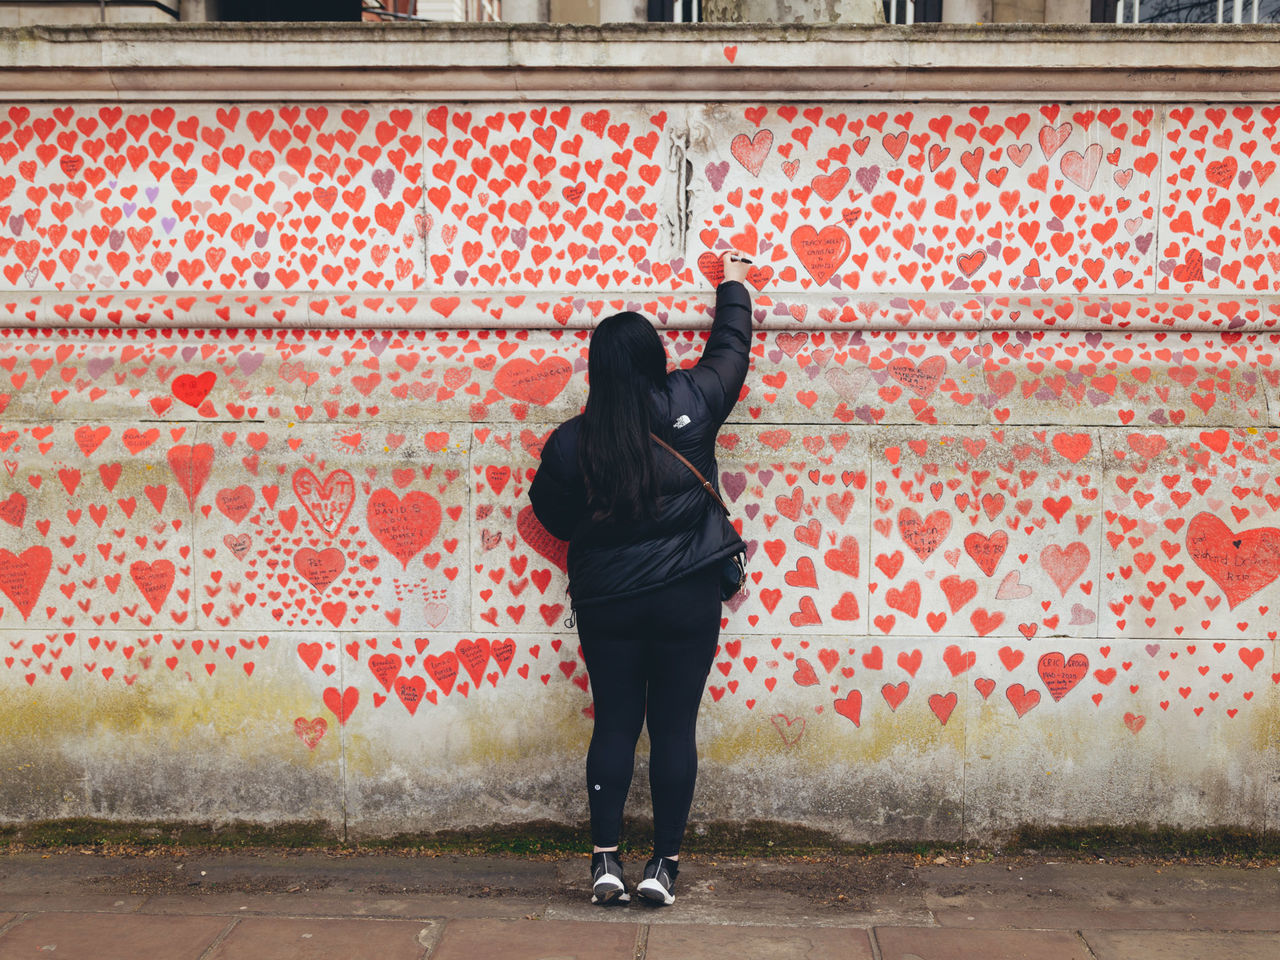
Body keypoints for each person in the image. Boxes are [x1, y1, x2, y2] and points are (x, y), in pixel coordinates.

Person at [528, 250, 753, 907]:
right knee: (674, 728)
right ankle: (662, 868)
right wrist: (732, 283)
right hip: (687, 598)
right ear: (655, 358)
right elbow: (732, 350)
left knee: (616, 725)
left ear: (596, 369)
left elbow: (551, 515)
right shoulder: (693, 399)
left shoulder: (575, 442)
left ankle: (604, 864)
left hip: (610, 605)